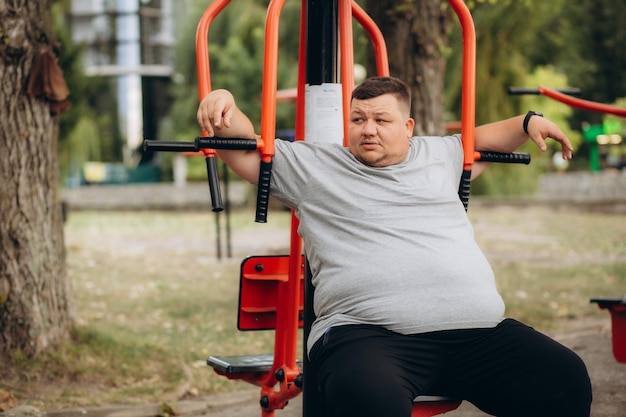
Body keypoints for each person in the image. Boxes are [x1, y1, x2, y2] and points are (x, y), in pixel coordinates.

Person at [197, 76, 592, 417]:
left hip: (476, 336)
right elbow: (245, 149)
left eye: (381, 120)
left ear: (407, 126)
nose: (368, 129)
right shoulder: (314, 167)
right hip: (369, 337)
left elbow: (491, 135)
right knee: (369, 398)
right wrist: (225, 102)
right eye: (358, 119)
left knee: (564, 379)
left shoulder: (441, 154)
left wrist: (530, 121)